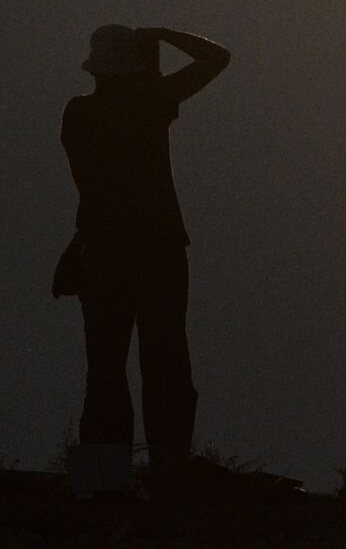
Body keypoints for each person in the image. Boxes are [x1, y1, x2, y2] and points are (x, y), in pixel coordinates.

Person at [59, 25, 230, 490]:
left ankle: (101, 482)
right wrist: (163, 34)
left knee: (104, 371)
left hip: (101, 252)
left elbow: (95, 187)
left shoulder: (78, 114)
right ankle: (168, 475)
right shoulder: (150, 102)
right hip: (157, 252)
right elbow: (217, 58)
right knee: (166, 364)